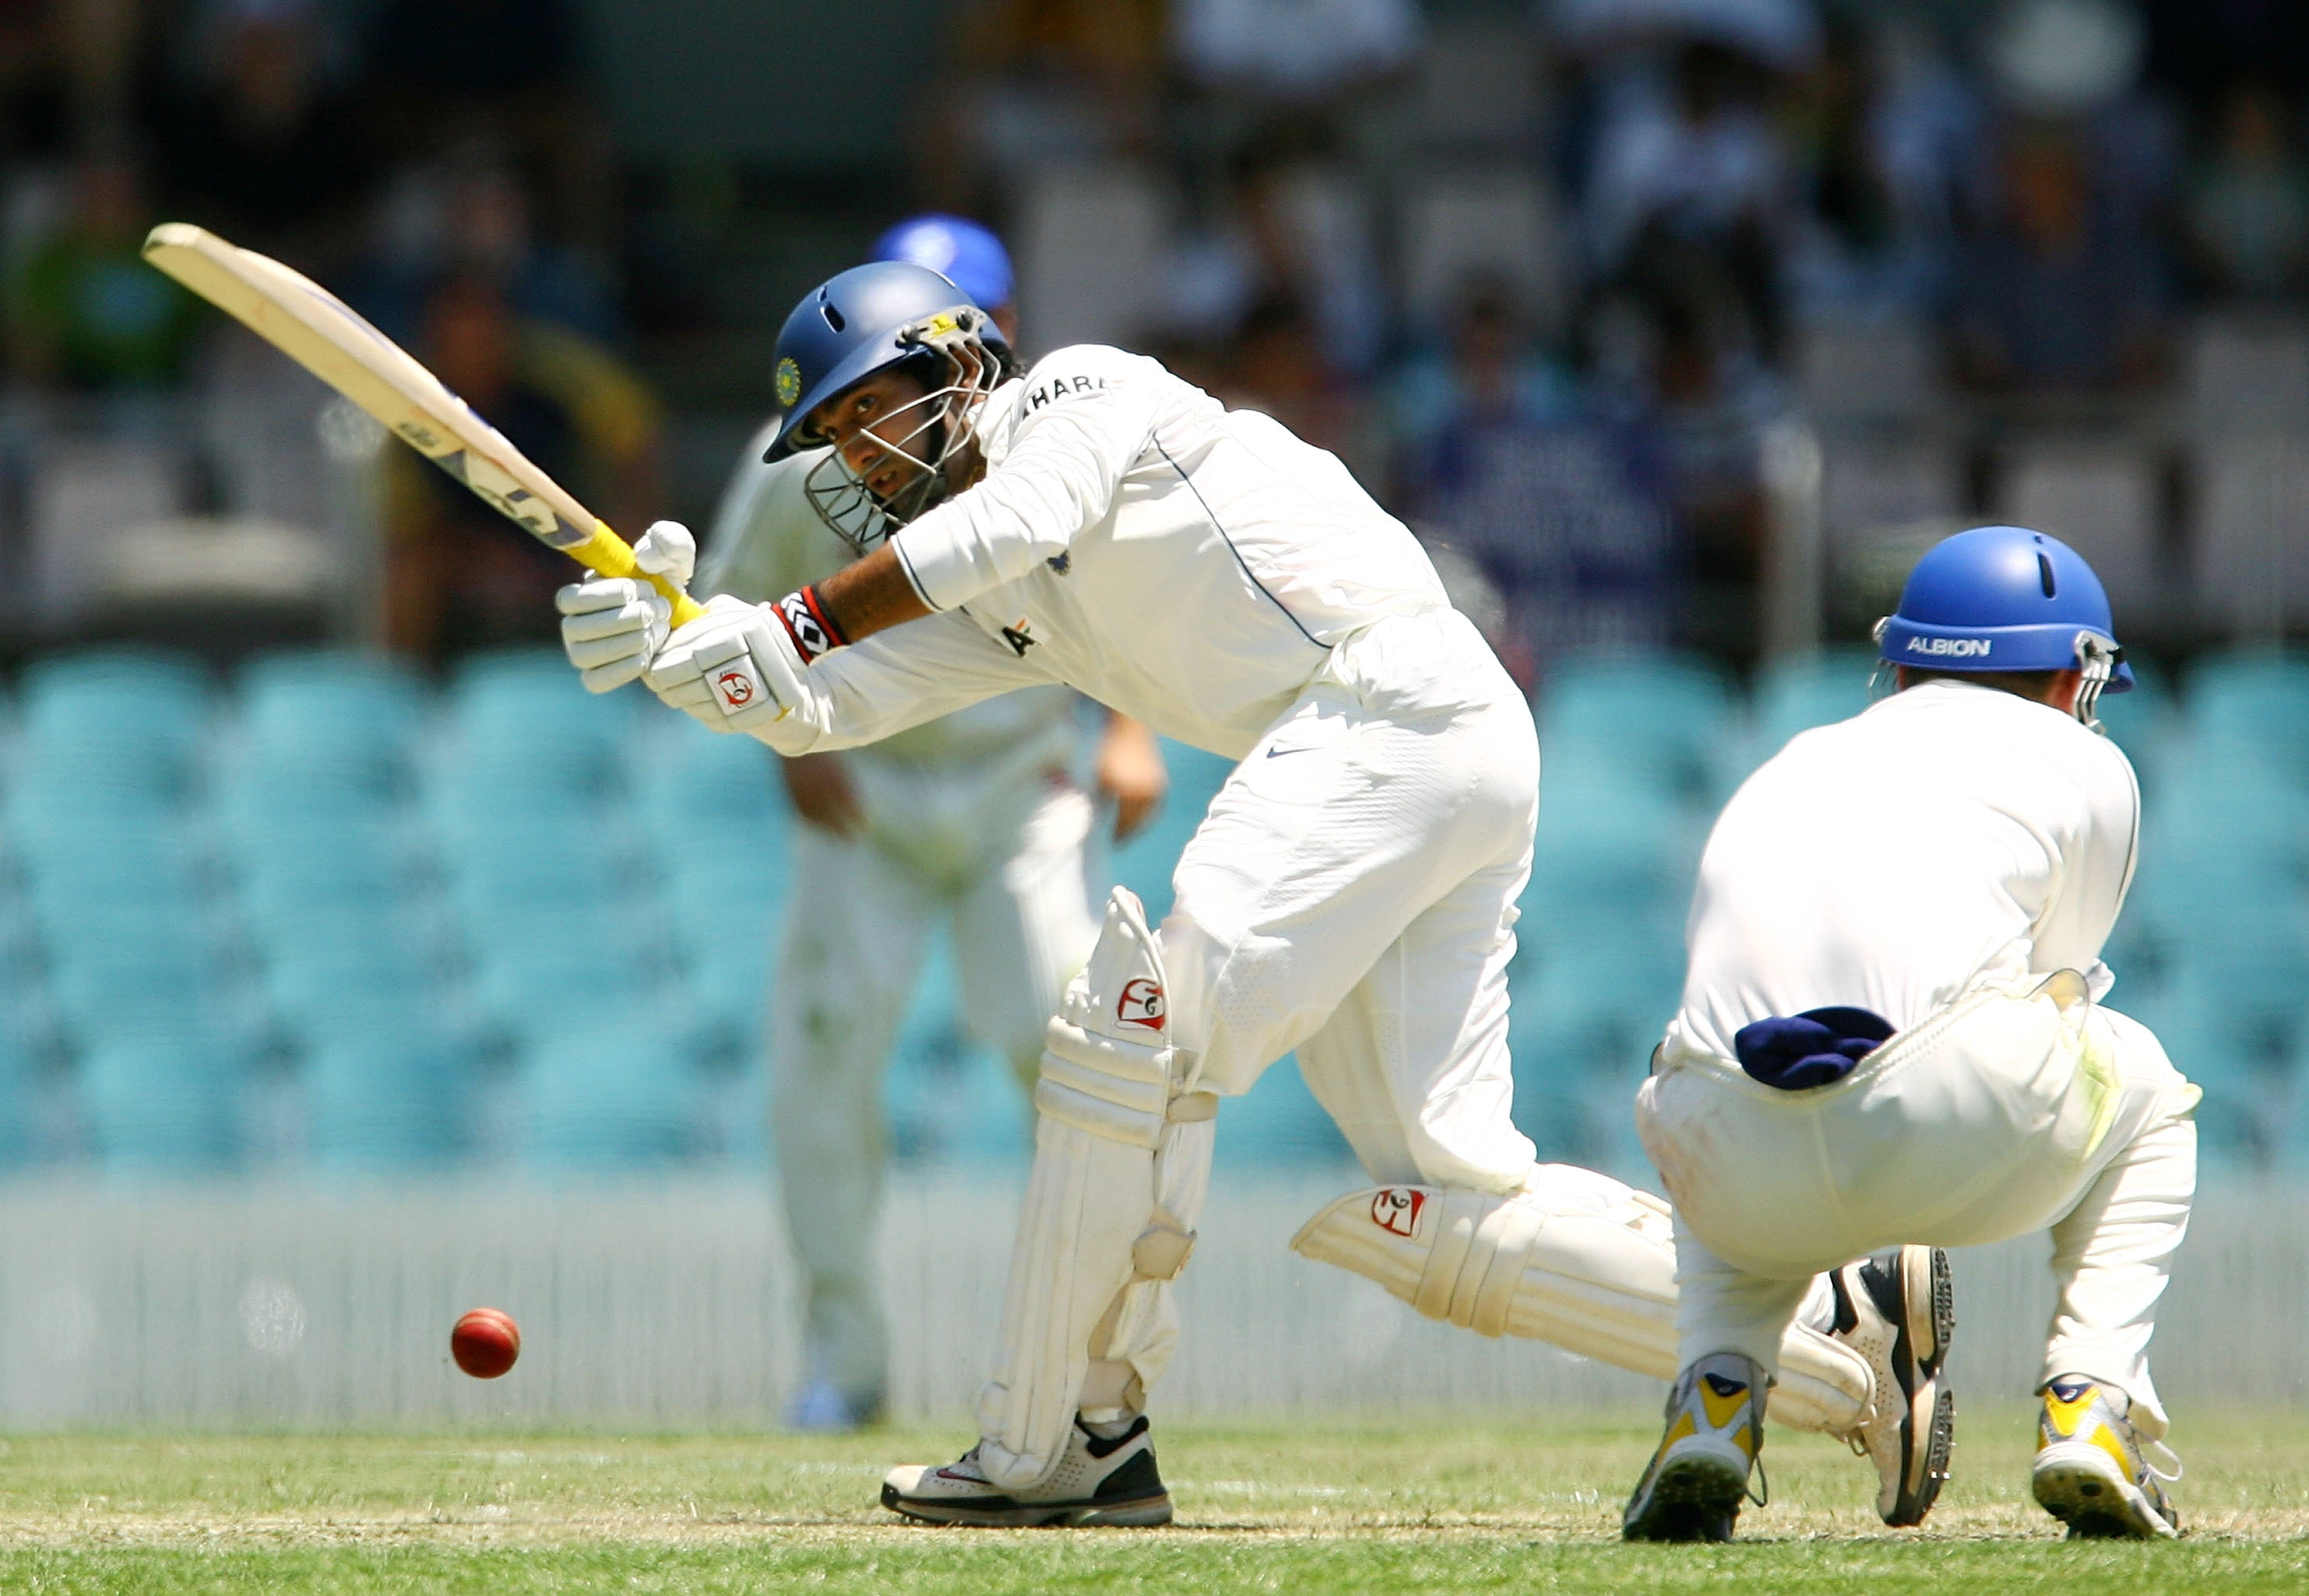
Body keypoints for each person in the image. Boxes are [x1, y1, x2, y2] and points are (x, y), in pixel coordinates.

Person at [553, 260, 1945, 1528]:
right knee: (1440, 1193)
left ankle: (1065, 1434)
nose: (860, 459)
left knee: (1140, 1028)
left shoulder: (1083, 394)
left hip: (1386, 701)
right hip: (1403, 749)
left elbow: (994, 533)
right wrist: (685, 653)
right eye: (839, 447)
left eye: (872, 415)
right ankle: (1840, 1324)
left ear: (961, 362)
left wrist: (783, 618)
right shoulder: (993, 597)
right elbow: (825, 702)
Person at [683, 216, 1166, 1429]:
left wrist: (1129, 724)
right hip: (868, 798)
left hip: (1021, 793)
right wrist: (777, 743)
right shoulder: (800, 456)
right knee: (826, 1062)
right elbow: (731, 611)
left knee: (1064, 1053)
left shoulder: (1054, 433)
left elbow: (1099, 578)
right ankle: (842, 1365)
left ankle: (1092, 1373)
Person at [1627, 525, 2195, 1543]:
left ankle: (1713, 1401)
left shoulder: (1798, 752)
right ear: (2078, 674)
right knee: (2150, 1090)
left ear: (1900, 661)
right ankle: (2089, 1405)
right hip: (1945, 1114)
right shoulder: (2084, 761)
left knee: (1717, 1071)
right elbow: (2055, 984)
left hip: (1718, 1147)